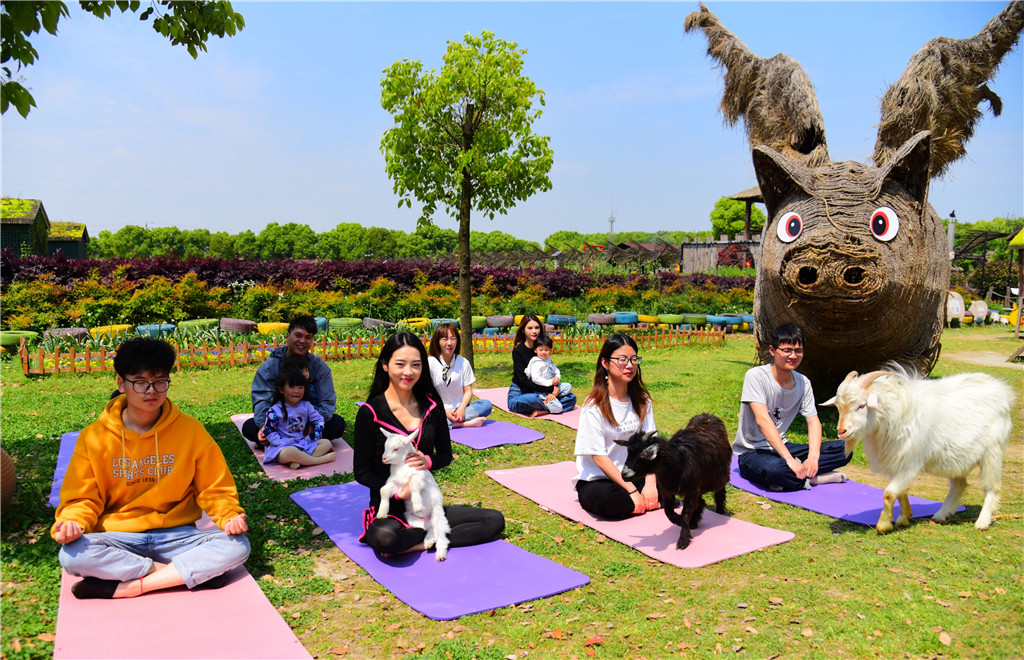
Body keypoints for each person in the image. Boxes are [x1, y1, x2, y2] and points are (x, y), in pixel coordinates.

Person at [52, 337, 250, 599]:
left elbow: (215, 488)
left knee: (236, 546)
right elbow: (82, 497)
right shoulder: (93, 437)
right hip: (118, 537)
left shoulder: (191, 431)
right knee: (72, 555)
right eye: (140, 382)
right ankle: (180, 575)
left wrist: (229, 515)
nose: (151, 390)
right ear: (121, 384)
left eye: (159, 381)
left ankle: (130, 587)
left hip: (178, 536)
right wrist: (73, 522)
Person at [354, 332, 505, 557]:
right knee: (385, 537)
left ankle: (421, 542)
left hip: (425, 505)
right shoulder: (370, 412)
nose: (408, 372)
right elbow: (362, 471)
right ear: (385, 365)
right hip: (391, 513)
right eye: (400, 364)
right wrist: (398, 493)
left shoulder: (432, 407)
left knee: (493, 520)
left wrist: (428, 460)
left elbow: (445, 454)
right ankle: (415, 538)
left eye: (416, 365)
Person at [733, 323, 851, 491]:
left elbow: (813, 422)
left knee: (844, 449)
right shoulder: (756, 376)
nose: (793, 356)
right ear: (773, 351)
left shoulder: (803, 382)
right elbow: (763, 420)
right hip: (752, 452)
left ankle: (796, 474)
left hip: (783, 446)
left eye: (798, 351)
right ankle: (812, 479)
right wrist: (789, 460)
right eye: (787, 350)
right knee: (775, 469)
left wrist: (813, 458)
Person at [574, 334, 660, 519]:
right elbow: (599, 457)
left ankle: (647, 498)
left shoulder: (643, 401)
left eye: (634, 359)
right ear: (605, 363)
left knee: (675, 475)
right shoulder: (593, 406)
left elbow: (650, 445)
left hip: (636, 474)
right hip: (602, 480)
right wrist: (631, 491)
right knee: (607, 498)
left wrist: (651, 483)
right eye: (622, 360)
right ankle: (646, 500)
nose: (629, 365)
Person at [243, 315, 345, 446]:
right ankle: (300, 443)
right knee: (249, 428)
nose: (302, 341)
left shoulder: (319, 367)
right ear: (287, 336)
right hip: (279, 421)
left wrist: (312, 424)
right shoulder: (270, 367)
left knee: (337, 424)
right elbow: (261, 400)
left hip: (308, 420)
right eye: (298, 335)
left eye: (308, 337)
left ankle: (283, 443)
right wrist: (265, 426)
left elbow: (327, 400)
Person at [263, 370, 335, 469]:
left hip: (302, 443)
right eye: (292, 387)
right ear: (281, 390)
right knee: (289, 452)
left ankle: (298, 461)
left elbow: (319, 420)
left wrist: (312, 437)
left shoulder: (306, 406)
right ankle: (319, 460)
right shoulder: (274, 410)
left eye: (300, 387)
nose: (296, 391)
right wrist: (283, 442)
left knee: (326, 443)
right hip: (282, 446)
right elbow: (269, 431)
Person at [507, 314, 576, 415]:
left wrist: (554, 386)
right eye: (530, 328)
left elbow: (551, 371)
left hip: (542, 391)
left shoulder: (543, 349)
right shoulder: (518, 351)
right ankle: (551, 407)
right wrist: (551, 390)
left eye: (537, 327)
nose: (534, 331)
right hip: (522, 391)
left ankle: (544, 409)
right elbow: (523, 381)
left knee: (572, 398)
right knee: (530, 399)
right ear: (523, 330)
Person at [427, 323, 492, 428]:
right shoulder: (430, 363)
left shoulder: (463, 362)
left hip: (461, 409)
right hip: (438, 409)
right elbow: (427, 395)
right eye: (445, 339)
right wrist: (444, 411)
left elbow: (468, 391)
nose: (449, 343)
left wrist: (461, 409)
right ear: (437, 342)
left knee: (486, 405)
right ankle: (463, 424)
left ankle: (449, 423)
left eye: (453, 339)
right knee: (427, 418)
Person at [525, 335, 574, 417]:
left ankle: (553, 396)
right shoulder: (536, 363)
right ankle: (543, 409)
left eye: (546, 350)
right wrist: (550, 383)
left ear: (550, 350)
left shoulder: (548, 360)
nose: (544, 352)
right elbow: (536, 379)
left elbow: (556, 370)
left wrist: (557, 377)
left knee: (568, 386)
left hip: (553, 387)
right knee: (559, 408)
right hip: (542, 390)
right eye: (540, 350)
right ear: (535, 350)